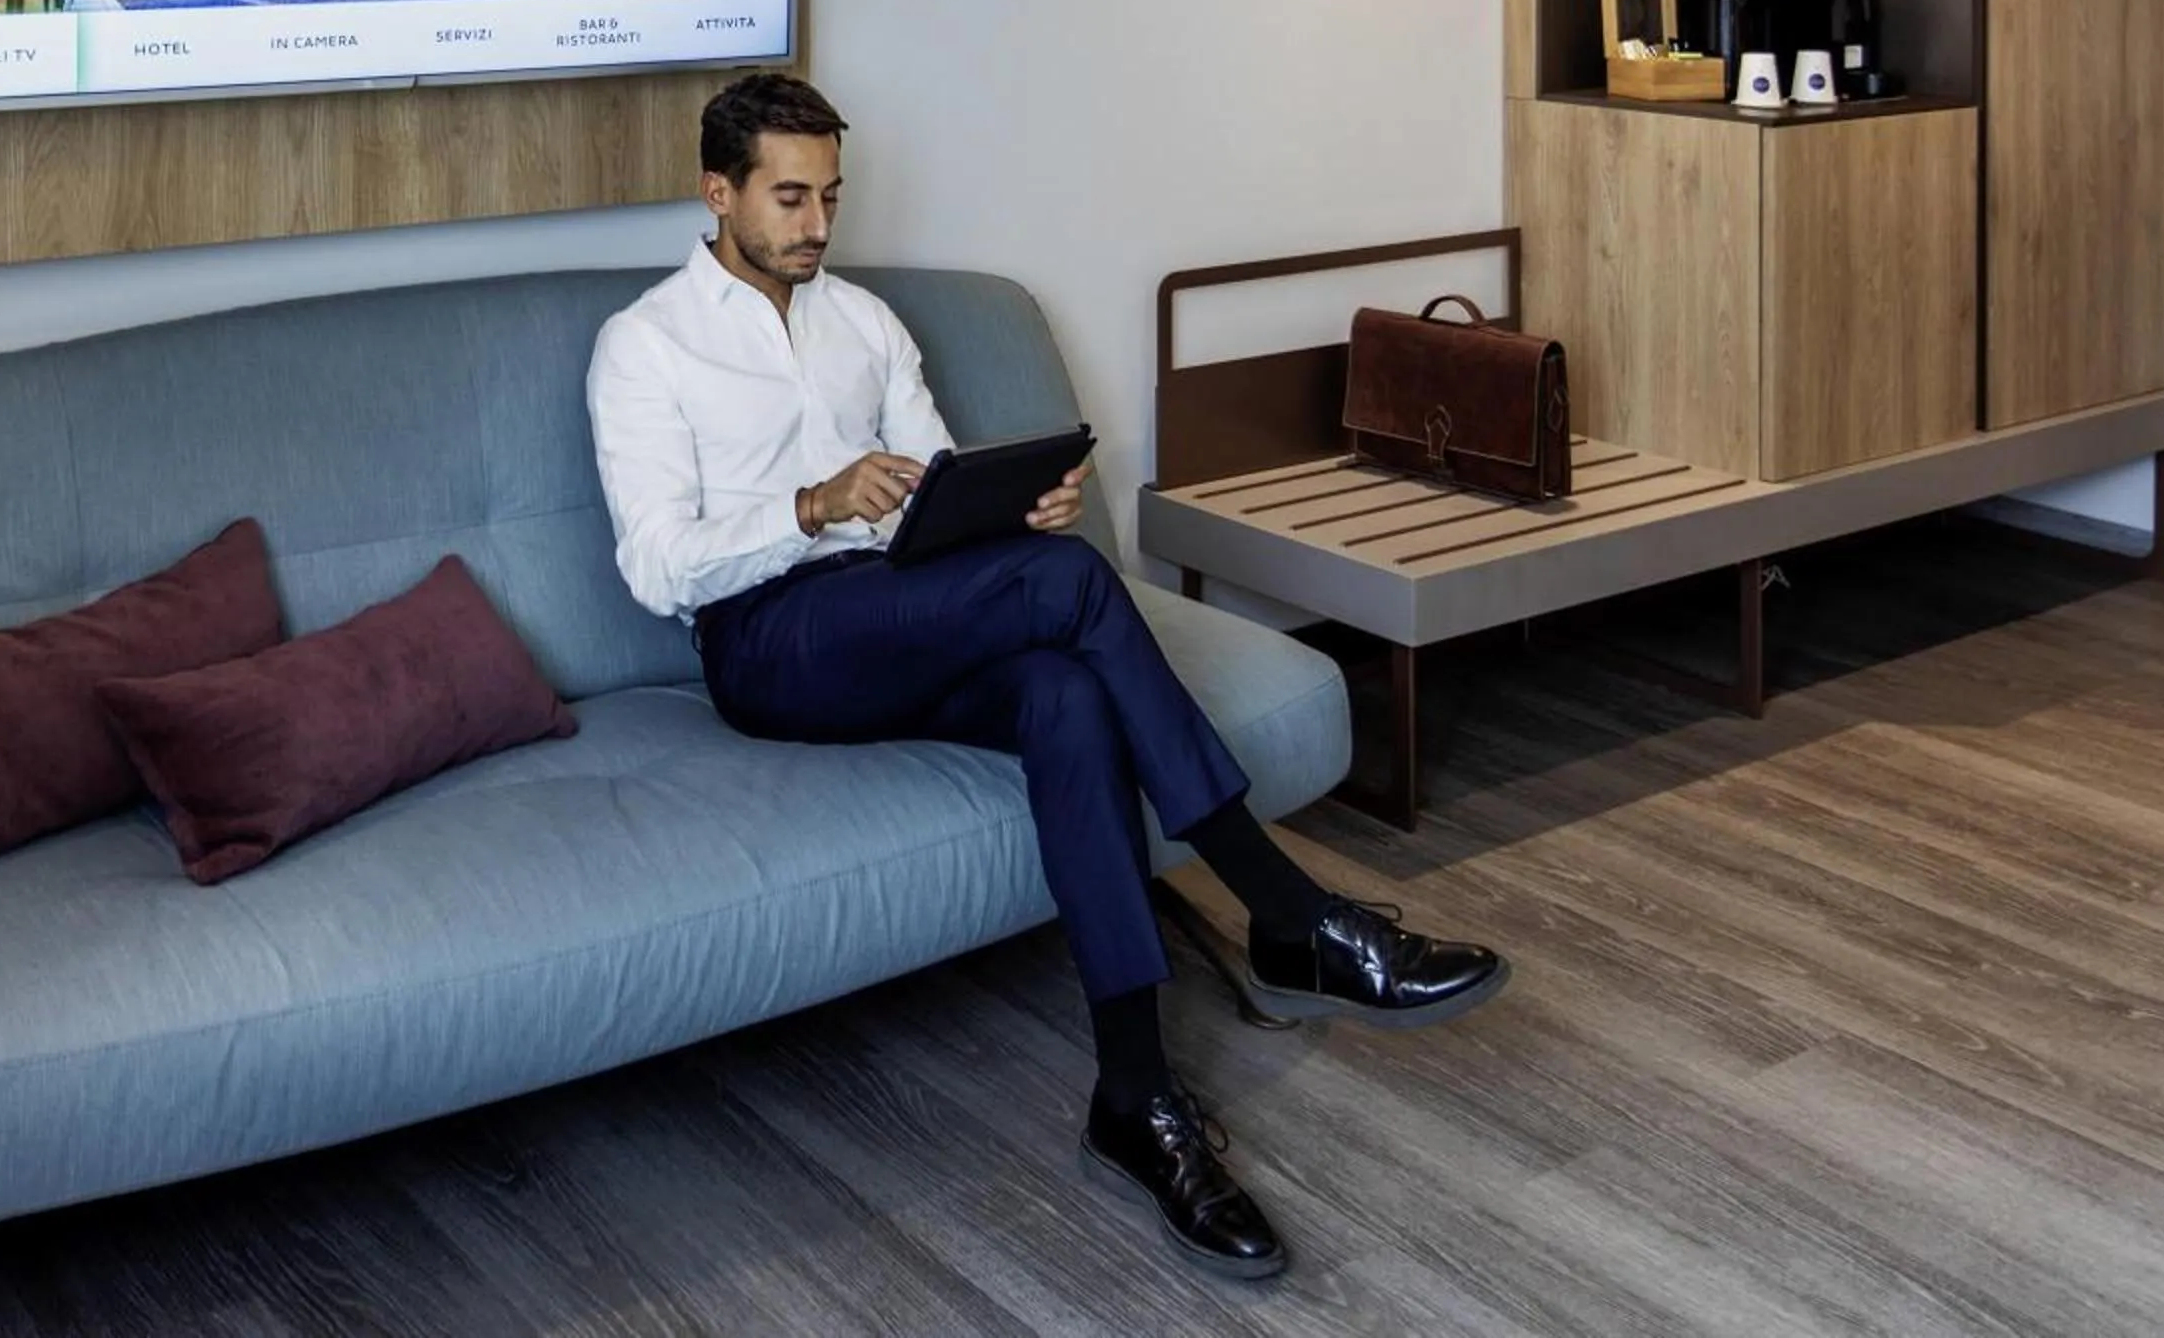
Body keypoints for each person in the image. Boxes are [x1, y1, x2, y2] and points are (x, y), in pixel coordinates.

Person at [584, 73, 1508, 1283]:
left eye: (831, 199)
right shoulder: (646, 345)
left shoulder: (865, 323)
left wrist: (1017, 504)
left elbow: (936, 482)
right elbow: (657, 568)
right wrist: (810, 506)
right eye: (789, 198)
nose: (816, 225)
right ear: (720, 194)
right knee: (1064, 585)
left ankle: (1136, 1095)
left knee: (1064, 691)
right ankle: (1290, 915)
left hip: (904, 614)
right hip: (770, 642)